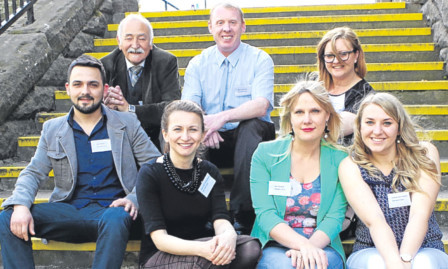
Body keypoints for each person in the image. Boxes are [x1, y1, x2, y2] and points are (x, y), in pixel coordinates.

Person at [0, 55, 160, 269]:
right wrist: (21, 205)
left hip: (115, 214)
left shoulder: (127, 123)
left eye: (93, 85)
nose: (85, 91)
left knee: (115, 216)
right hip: (69, 212)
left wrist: (133, 197)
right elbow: (33, 172)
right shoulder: (52, 128)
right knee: (7, 216)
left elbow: (154, 165)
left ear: (104, 89)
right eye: (78, 84)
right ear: (68, 88)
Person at [181, 2, 276, 234]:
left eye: (233, 22)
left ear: (243, 27)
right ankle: (197, 211)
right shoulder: (197, 63)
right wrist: (206, 126)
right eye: (220, 23)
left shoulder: (260, 59)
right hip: (212, 135)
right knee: (187, 130)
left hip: (251, 137)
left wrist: (220, 119)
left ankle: (242, 213)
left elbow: (261, 104)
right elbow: (189, 105)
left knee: (251, 125)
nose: (227, 29)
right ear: (210, 27)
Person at [136, 100, 261, 268]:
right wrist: (203, 249)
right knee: (209, 261)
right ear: (165, 134)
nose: (186, 137)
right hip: (161, 254)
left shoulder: (209, 171)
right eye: (178, 129)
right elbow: (160, 239)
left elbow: (220, 218)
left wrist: (228, 237)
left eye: (193, 129)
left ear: (203, 135)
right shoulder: (150, 173)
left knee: (249, 248)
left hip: (204, 245)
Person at [339, 92, 448, 268]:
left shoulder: (424, 154)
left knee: (424, 264)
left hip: (425, 247)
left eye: (387, 123)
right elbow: (375, 222)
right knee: (377, 264)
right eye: (369, 122)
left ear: (399, 127)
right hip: (371, 249)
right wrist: (394, 263)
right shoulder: (351, 165)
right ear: (359, 126)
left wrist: (405, 259)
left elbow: (419, 215)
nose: (377, 131)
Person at [250, 79, 347, 269]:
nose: (307, 120)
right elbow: (265, 214)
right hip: (275, 244)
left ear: (327, 115)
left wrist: (309, 248)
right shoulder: (266, 154)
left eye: (315, 111)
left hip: (323, 244)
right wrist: (303, 246)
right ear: (290, 117)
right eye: (299, 112)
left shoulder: (341, 159)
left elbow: (334, 218)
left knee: (316, 265)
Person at [101, 14, 181, 150]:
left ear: (151, 43)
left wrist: (130, 109)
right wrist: (106, 105)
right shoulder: (106, 64)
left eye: (142, 39)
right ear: (119, 41)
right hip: (120, 134)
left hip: (155, 134)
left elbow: (172, 107)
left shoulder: (166, 62)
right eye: (129, 38)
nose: (135, 45)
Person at [317, 26, 374, 144]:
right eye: (329, 56)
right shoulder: (313, 85)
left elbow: (335, 128)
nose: (336, 61)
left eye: (343, 54)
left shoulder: (366, 94)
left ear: (356, 55)